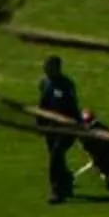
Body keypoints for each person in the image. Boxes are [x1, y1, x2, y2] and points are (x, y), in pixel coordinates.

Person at [36, 55, 80, 203]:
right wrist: (40, 123)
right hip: (50, 128)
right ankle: (66, 182)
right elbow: (42, 104)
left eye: (49, 66)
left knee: (56, 157)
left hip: (65, 128)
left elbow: (73, 107)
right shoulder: (44, 83)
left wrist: (77, 125)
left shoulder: (66, 85)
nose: (46, 69)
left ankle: (56, 191)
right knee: (57, 158)